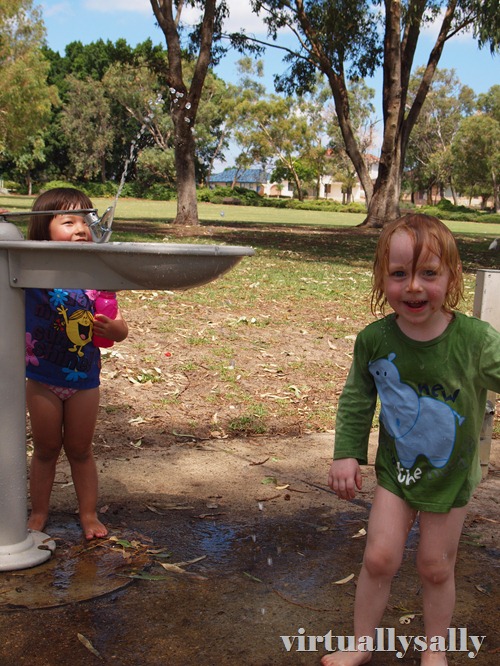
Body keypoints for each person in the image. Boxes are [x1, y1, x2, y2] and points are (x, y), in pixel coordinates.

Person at [323, 214, 500, 666]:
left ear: (451, 276)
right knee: (380, 558)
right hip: (397, 473)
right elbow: (357, 399)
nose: (414, 287)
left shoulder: (476, 341)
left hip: (450, 475)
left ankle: (434, 648)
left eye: (428, 273)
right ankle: (362, 644)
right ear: (383, 278)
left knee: (435, 567)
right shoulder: (375, 340)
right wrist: (346, 453)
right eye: (400, 274)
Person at [25, 187, 129, 540]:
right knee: (46, 449)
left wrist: (113, 328)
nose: (81, 228)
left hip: (84, 380)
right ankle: (38, 512)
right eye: (68, 221)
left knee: (81, 450)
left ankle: (87, 514)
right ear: (43, 231)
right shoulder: (30, 271)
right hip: (41, 378)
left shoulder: (97, 278)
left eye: (86, 221)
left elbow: (115, 331)